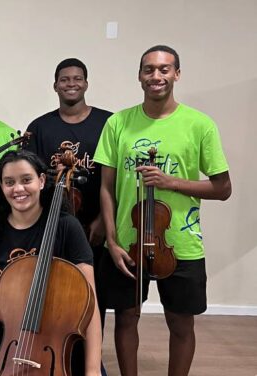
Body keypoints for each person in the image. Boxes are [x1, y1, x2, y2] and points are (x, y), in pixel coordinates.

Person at [94, 45, 232, 376]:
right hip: (128, 242)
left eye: (164, 69)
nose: (156, 76)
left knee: (180, 322)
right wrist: (111, 241)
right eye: (149, 70)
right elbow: (106, 188)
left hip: (181, 242)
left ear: (177, 74)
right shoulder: (118, 123)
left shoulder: (200, 125)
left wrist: (170, 181)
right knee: (126, 317)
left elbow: (222, 188)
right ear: (140, 76)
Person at [0, 150, 102, 376]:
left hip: (57, 337)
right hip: (3, 338)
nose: (18, 189)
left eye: (26, 180)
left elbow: (90, 305)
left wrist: (93, 370)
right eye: (9, 182)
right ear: (0, 187)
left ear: (41, 181)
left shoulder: (67, 228)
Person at [24, 59, 112, 375]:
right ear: (55, 85)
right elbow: (32, 179)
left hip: (94, 227)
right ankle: (56, 351)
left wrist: (104, 220)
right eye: (64, 79)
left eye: (77, 78)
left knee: (91, 296)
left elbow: (114, 180)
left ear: (86, 83)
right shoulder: (41, 126)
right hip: (53, 225)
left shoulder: (107, 123)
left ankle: (90, 358)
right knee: (53, 295)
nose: (70, 84)